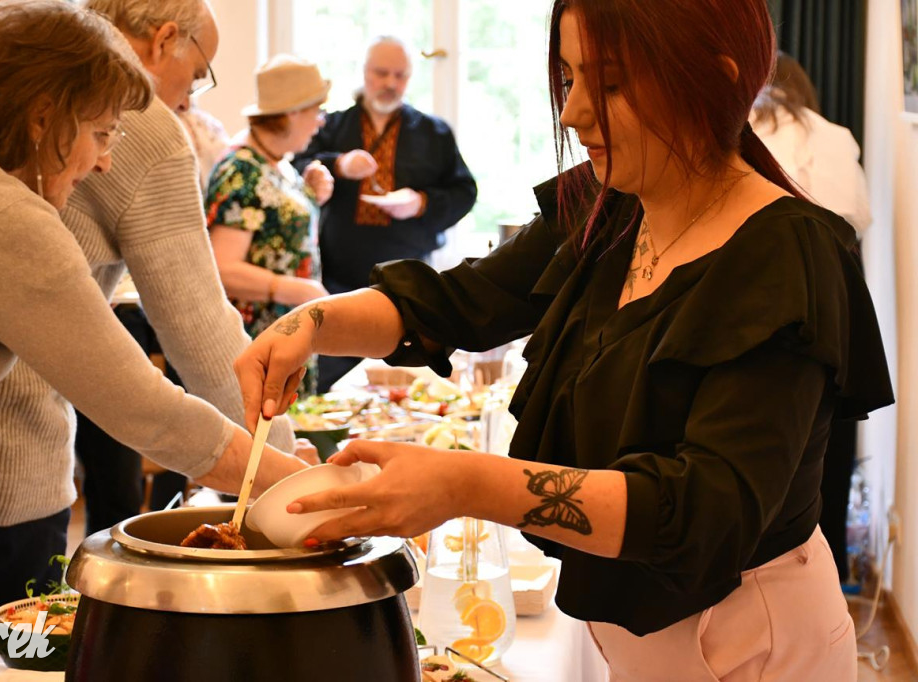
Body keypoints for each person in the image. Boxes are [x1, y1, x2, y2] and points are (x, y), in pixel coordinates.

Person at [238, 0, 894, 678]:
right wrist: (311, 324)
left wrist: (466, 483)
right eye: (568, 80)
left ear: (715, 79)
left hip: (754, 646)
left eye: (608, 83)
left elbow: (704, 510)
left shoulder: (784, 254)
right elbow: (459, 300)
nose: (576, 112)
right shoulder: (610, 206)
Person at [0, 2, 306, 678]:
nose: (109, 161)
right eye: (102, 132)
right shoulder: (15, 225)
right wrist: (317, 489)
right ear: (40, 118)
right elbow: (156, 413)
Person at [291, 35, 477, 391]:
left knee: (401, 390)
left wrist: (421, 202)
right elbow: (297, 163)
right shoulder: (331, 125)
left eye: (400, 75)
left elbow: (464, 192)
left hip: (406, 285)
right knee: (329, 387)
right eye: (381, 73)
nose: (391, 83)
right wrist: (339, 164)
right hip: (336, 280)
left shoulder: (433, 132)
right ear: (364, 72)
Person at [752, 52, 875, 585]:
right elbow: (855, 221)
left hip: (764, 292)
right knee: (829, 435)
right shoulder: (835, 135)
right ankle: (829, 570)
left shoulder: (744, 130)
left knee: (768, 437)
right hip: (837, 298)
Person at [205, 54, 334, 395]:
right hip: (258, 345)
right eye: (315, 111)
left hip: (285, 338)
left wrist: (309, 193)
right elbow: (224, 268)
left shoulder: (276, 164)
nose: (320, 121)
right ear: (292, 112)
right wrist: (297, 290)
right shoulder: (241, 170)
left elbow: (275, 234)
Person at [751, 52, 872, 235]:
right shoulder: (837, 134)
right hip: (828, 252)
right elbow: (861, 219)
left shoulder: (745, 127)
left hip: (763, 242)